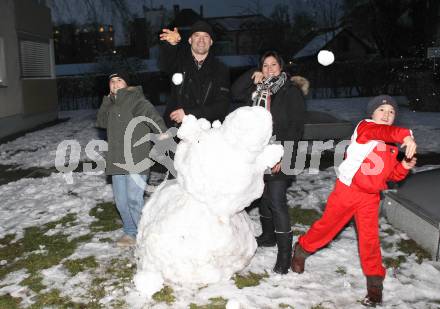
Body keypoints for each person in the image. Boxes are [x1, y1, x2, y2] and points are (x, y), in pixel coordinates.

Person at [291, 95, 417, 307]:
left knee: (370, 240)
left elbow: (391, 176)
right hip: (348, 191)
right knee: (327, 228)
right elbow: (382, 131)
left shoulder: (392, 144)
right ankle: (301, 250)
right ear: (372, 113)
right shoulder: (366, 128)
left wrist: (404, 165)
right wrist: (406, 135)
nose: (386, 115)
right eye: (382, 110)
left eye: (391, 112)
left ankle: (375, 285)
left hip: (370, 198)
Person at [231, 51, 307, 274]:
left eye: (274, 64)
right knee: (262, 194)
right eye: (265, 65)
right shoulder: (256, 91)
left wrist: (281, 156)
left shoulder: (290, 91)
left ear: (281, 67)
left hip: (282, 151)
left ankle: (285, 255)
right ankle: (267, 236)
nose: (270, 68)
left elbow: (296, 127)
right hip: (257, 153)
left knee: (276, 200)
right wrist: (250, 76)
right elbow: (235, 92)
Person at [96, 72, 168, 247]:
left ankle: (145, 234)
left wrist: (161, 130)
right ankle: (130, 232)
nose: (114, 84)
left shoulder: (135, 100)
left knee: (134, 199)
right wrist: (106, 101)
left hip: (137, 158)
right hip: (116, 159)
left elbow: (150, 114)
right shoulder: (111, 105)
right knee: (121, 202)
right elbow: (101, 122)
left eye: (119, 80)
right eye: (111, 81)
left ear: (127, 84)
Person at [159, 20, 231, 128]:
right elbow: (166, 63)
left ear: (211, 42)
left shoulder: (221, 69)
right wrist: (172, 45)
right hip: (176, 129)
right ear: (190, 40)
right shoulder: (179, 62)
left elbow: (222, 106)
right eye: (196, 35)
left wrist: (189, 113)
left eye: (206, 36)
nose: (201, 40)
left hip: (206, 131)